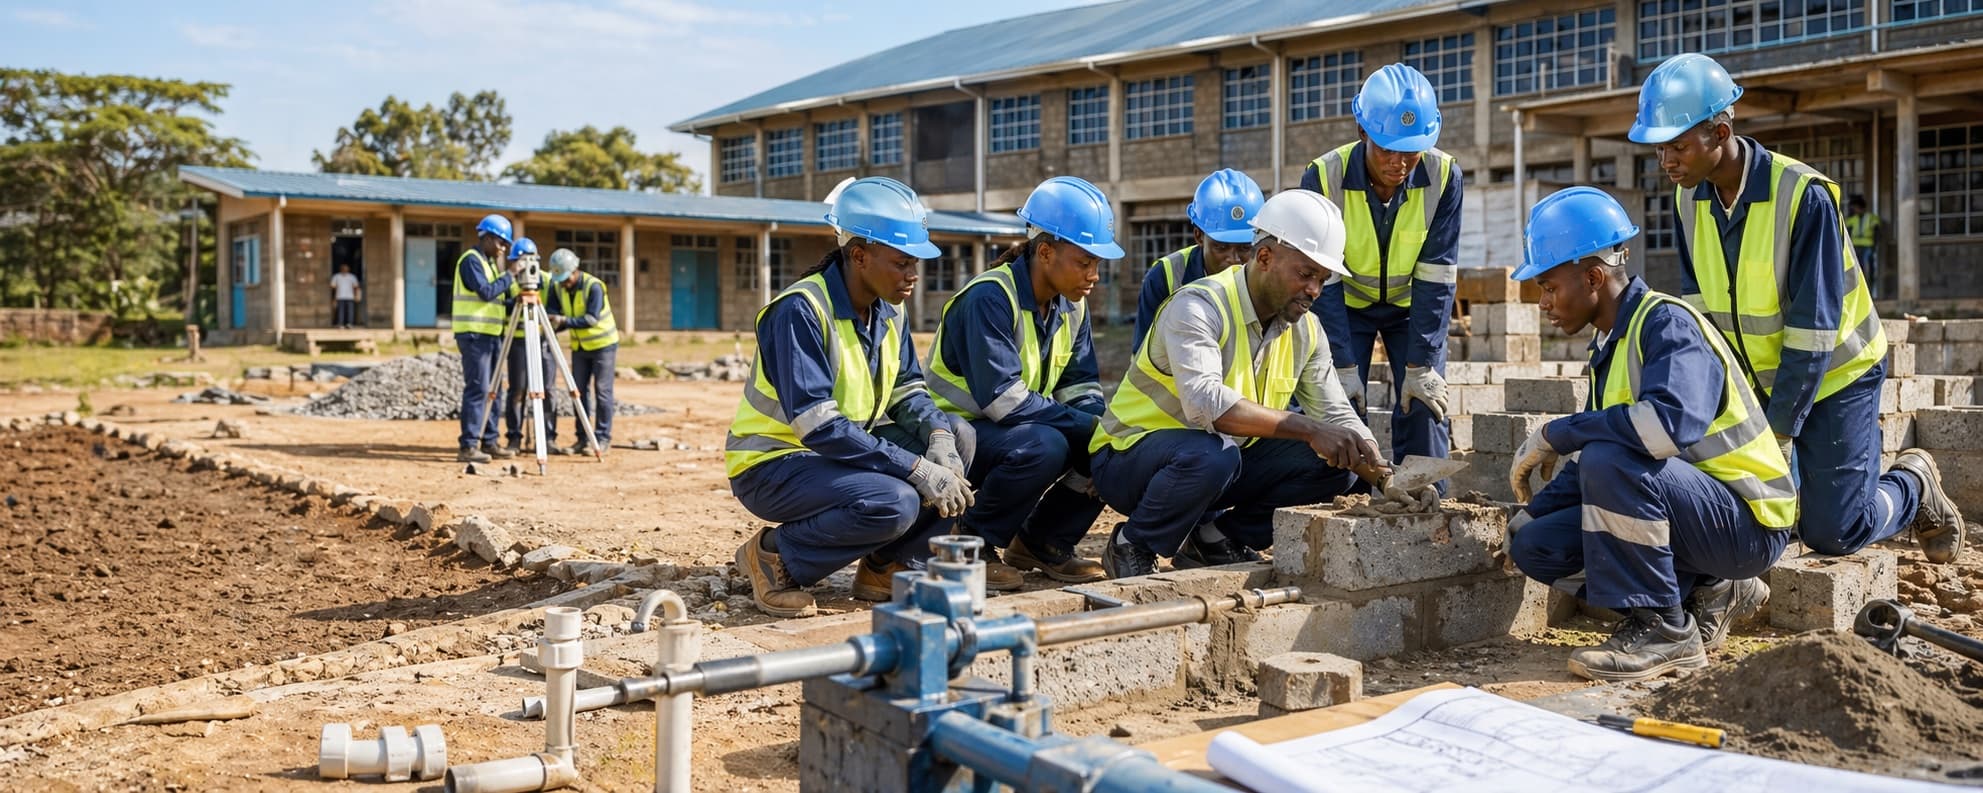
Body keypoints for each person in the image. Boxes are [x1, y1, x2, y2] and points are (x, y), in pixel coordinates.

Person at [1630, 52, 1963, 563]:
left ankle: (1911, 485)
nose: (1666, 162)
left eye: (1676, 146)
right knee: (1775, 514)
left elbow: (1813, 332)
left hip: (1837, 373)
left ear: (1720, 134)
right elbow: (1701, 314)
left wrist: (1778, 432)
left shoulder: (1803, 196)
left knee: (1832, 533)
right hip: (1764, 376)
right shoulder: (1687, 201)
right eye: (1658, 151)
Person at [1505, 187, 1796, 682]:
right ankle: (1706, 593)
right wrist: (1527, 516)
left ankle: (1663, 629)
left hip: (1747, 522)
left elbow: (1663, 429)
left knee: (1604, 458)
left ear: (1594, 277)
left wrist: (1560, 431)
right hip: (1689, 517)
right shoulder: (1608, 347)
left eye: (1550, 286)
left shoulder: (1666, 325)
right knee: (1534, 544)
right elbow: (1603, 466)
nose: (1545, 302)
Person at [1089, 190, 1421, 579]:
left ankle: (1213, 540)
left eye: (1322, 279)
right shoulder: (1199, 305)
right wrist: (1310, 429)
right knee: (1215, 453)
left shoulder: (1306, 330)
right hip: (1130, 459)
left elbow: (1334, 412)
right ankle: (1133, 543)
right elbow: (1205, 405)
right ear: (1264, 257)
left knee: (1338, 461)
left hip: (1217, 461)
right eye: (1306, 273)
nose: (1315, 290)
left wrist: (1386, 476)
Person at [728, 176, 976, 618]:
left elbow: (907, 389)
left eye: (915, 263)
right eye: (902, 262)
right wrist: (916, 467)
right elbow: (819, 426)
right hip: (774, 464)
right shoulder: (800, 310)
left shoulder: (889, 309)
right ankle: (774, 558)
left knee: (958, 436)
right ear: (859, 256)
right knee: (893, 500)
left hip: (838, 452)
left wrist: (937, 436)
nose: (913, 275)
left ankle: (887, 567)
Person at [928, 176, 1117, 587]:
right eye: (1085, 262)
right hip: (952, 440)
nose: (1094, 275)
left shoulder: (1071, 308)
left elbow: (1081, 387)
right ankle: (972, 542)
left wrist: (1101, 429)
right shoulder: (989, 298)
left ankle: (1042, 542)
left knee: (1106, 444)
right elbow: (1003, 401)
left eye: (1098, 264)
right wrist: (1088, 428)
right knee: (1047, 445)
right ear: (1046, 252)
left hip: (1004, 431)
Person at [1300, 63, 1464, 482]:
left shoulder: (1444, 176)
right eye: (1387, 148)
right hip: (1345, 307)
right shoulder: (1324, 177)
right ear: (1362, 133)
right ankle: (1347, 504)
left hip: (1412, 310)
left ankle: (1428, 510)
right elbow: (1321, 276)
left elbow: (1437, 273)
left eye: (1411, 149)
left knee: (1426, 406)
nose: (1400, 161)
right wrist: (1341, 362)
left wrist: (1422, 364)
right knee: (1338, 407)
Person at [1133, 169, 1265, 352]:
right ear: (1199, 236)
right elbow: (1144, 357)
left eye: (1245, 248)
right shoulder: (1166, 277)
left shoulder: (1267, 277)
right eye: (1221, 247)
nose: (1234, 260)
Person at [453, 214, 515, 464]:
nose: (503, 249)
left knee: (494, 391)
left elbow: (497, 301)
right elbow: (486, 293)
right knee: (478, 389)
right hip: (474, 334)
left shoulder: (490, 264)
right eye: (501, 243)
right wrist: (510, 276)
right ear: (487, 238)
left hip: (491, 336)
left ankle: (489, 441)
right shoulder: (472, 261)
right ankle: (468, 446)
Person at [545, 248, 617, 455]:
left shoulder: (593, 287)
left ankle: (602, 438)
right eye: (561, 279)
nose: (564, 283)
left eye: (567, 278)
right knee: (578, 393)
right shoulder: (558, 287)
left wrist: (563, 321)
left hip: (603, 346)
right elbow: (554, 312)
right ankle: (583, 438)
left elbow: (591, 319)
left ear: (575, 270)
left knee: (603, 393)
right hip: (580, 348)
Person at [500, 237, 556, 456]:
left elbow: (554, 309)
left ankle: (548, 438)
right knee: (517, 391)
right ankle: (514, 437)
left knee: (548, 391)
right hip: (517, 342)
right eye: (520, 261)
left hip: (542, 339)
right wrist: (514, 303)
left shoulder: (548, 281)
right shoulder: (509, 281)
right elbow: (501, 307)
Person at [1845, 195, 1882, 298]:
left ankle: (1869, 292)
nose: (1854, 210)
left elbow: (1877, 232)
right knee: (1856, 271)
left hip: (1868, 246)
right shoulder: (1852, 219)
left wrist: (1875, 245)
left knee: (1868, 270)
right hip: (1855, 247)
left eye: (1855, 207)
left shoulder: (1871, 217)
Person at [330, 264, 361, 329]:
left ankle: (350, 324)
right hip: (340, 296)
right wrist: (334, 298)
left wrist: (356, 295)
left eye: (346, 268)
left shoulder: (352, 277)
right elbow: (333, 287)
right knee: (341, 311)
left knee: (350, 311)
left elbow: (356, 287)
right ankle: (341, 324)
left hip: (350, 296)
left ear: (348, 269)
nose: (344, 269)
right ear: (341, 269)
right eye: (343, 268)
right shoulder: (336, 276)